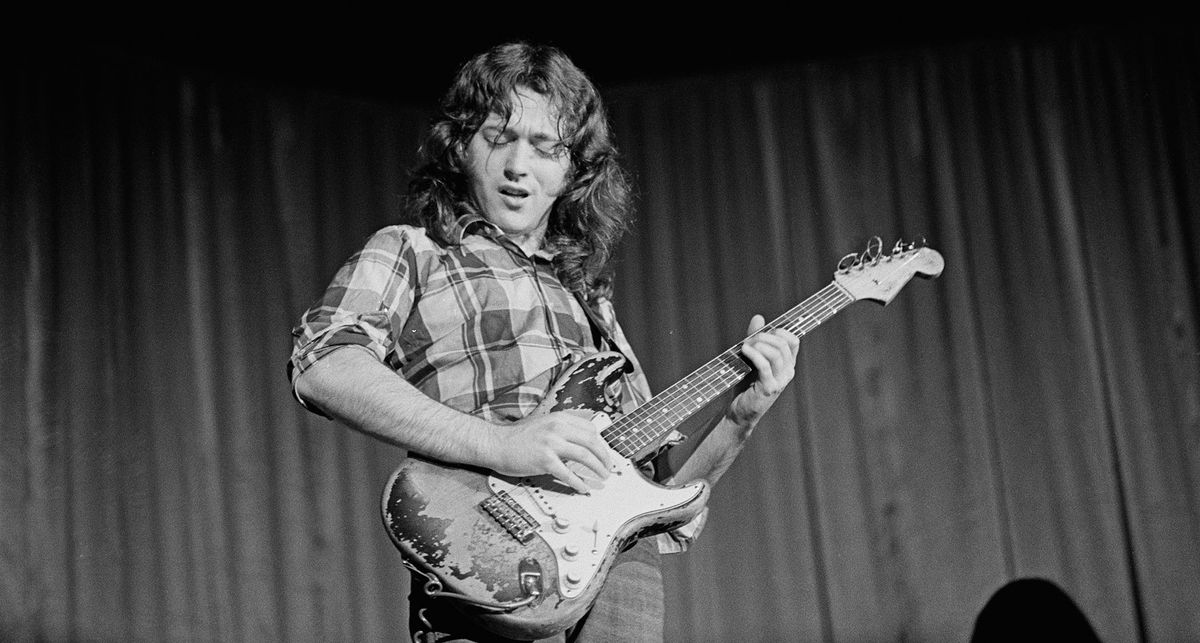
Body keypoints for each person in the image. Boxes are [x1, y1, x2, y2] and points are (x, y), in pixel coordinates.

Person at [287, 41, 799, 643]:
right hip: (489, 551)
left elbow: (662, 510)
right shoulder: (414, 249)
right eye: (499, 136)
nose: (517, 165)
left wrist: (740, 419)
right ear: (462, 146)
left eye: (546, 146)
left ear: (572, 170)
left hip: (619, 578)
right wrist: (504, 444)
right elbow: (323, 364)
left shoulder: (592, 300)